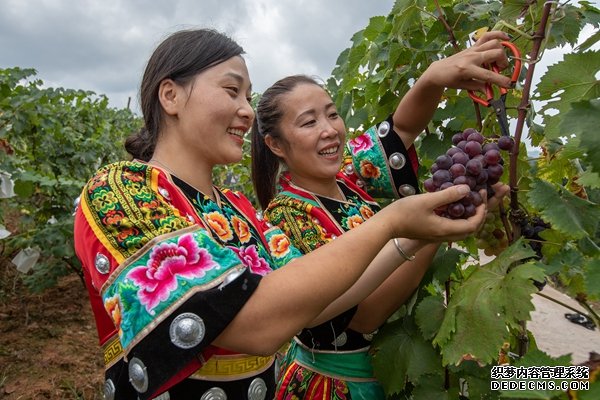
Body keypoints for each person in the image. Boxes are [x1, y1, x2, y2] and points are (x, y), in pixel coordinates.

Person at [73, 28, 488, 400]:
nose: (247, 110)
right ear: (171, 96)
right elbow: (255, 326)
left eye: (248, 97)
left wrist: (411, 232)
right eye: (232, 91)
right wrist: (393, 224)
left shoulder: (237, 213)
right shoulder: (121, 191)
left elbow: (323, 302)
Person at [251, 31, 512, 399]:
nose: (329, 130)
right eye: (309, 123)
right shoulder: (286, 217)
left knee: (547, 377)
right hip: (340, 386)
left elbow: (400, 130)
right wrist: (431, 231)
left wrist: (434, 77)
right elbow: (364, 315)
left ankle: (573, 378)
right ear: (275, 144)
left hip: (394, 370)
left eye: (332, 114)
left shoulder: (349, 178)